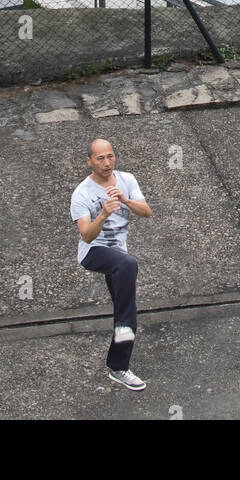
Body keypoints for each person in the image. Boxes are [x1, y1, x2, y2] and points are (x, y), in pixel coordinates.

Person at [71, 138, 151, 391]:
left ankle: (119, 367)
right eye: (100, 158)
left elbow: (146, 212)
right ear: (89, 161)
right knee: (128, 265)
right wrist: (104, 213)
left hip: (120, 257)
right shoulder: (82, 193)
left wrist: (126, 201)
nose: (106, 163)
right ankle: (119, 360)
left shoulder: (126, 179)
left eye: (110, 156)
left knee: (127, 312)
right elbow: (86, 235)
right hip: (94, 252)